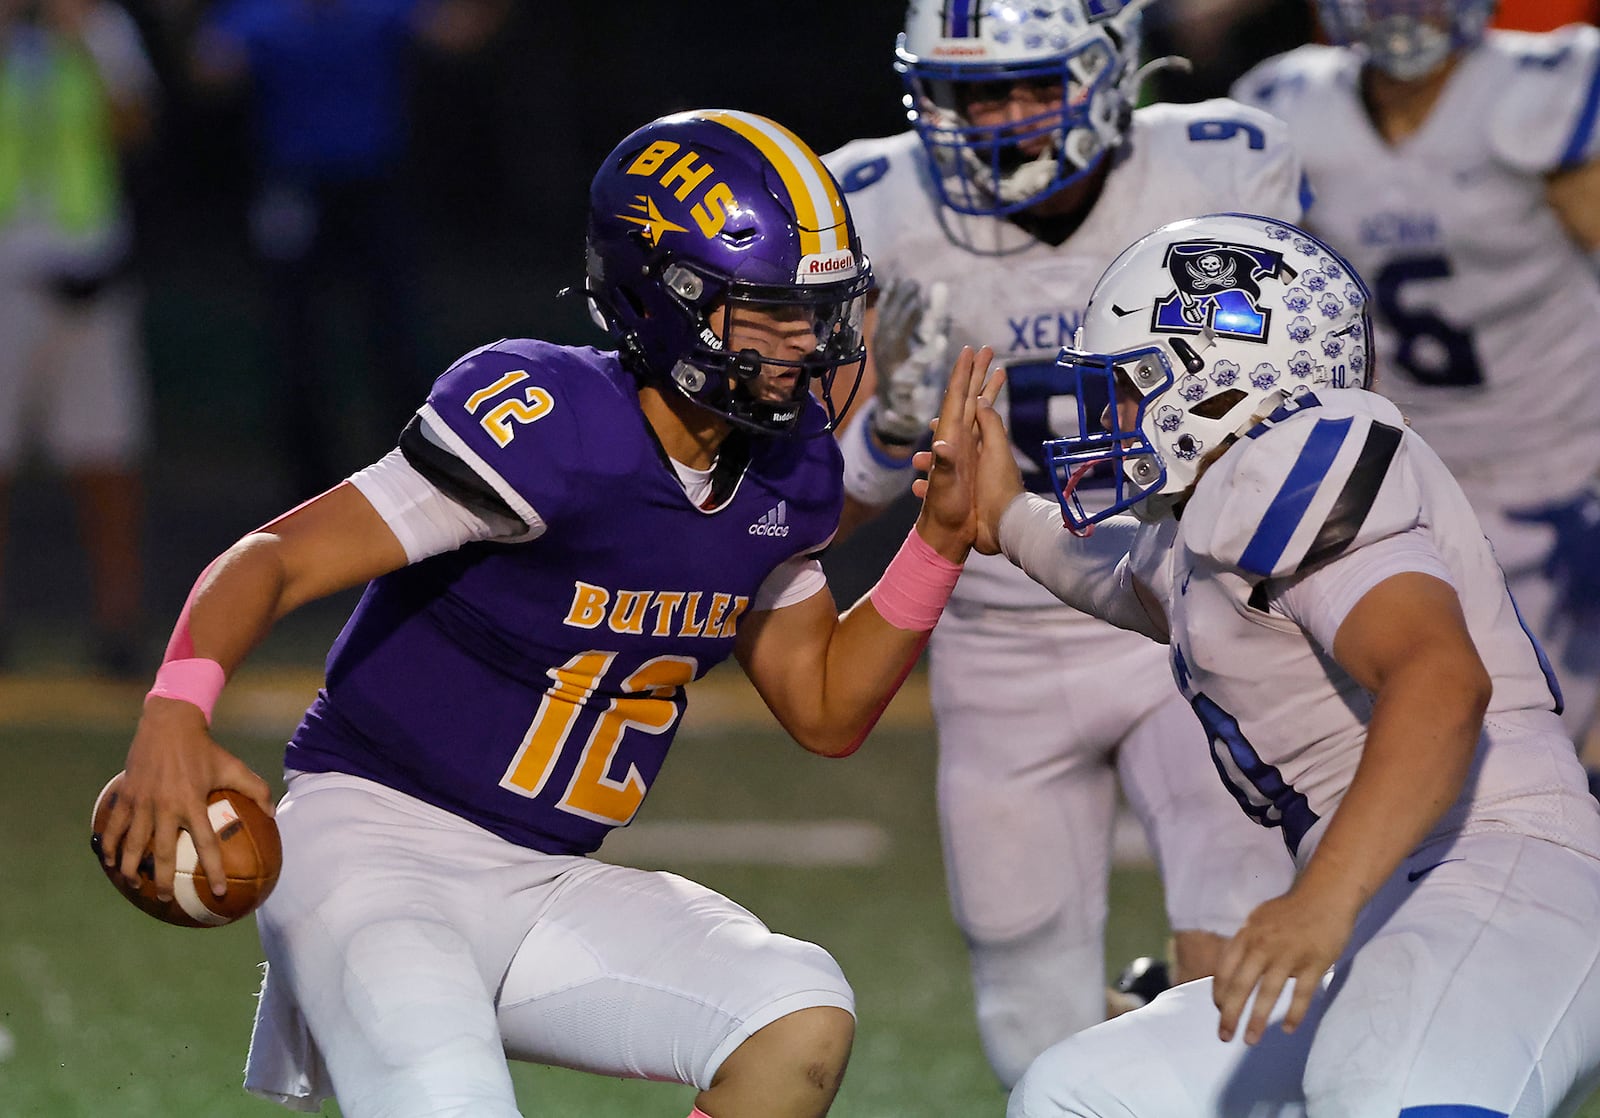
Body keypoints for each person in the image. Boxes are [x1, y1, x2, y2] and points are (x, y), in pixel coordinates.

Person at [96, 108, 997, 1118]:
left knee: (794, 1011)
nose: (809, 343)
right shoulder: (548, 423)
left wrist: (938, 541)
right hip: (372, 844)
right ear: (666, 302)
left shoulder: (787, 469)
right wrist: (175, 706)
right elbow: (273, 558)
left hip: (544, 882)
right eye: (772, 312)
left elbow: (826, 707)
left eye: (818, 311)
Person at [962, 211, 1600, 1117]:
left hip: (1501, 866)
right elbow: (1128, 583)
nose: (1117, 416)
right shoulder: (1215, 520)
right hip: (1391, 890)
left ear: (1222, 381)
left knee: (1386, 1091)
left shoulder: (1296, 459)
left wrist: (1320, 902)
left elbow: (1442, 683)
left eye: (1136, 384)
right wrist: (1007, 519)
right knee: (1080, 1096)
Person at [818, 0, 1301, 1086]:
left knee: (1235, 967)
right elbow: (813, 516)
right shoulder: (872, 200)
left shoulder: (1215, 167)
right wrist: (889, 436)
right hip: (996, 644)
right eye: (974, 93)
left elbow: (1294, 426)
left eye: (1034, 86)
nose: (1000, 120)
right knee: (1026, 1030)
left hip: (1182, 610)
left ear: (1109, 67)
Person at [1230, 3, 1600, 761]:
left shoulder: (1540, 90)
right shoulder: (1285, 104)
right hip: (1394, 477)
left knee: (1530, 753)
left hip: (1564, 469)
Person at [188, 0, 507, 500]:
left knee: (395, 335)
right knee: (296, 341)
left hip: (373, 187)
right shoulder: (261, 13)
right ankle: (309, 490)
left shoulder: (379, 7)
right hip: (296, 189)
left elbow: (458, 35)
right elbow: (208, 71)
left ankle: (416, 473)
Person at [0, 0, 154, 673]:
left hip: (89, 276)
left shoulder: (100, 26)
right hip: (6, 279)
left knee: (106, 456)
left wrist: (86, 38)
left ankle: (118, 628)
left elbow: (135, 126)